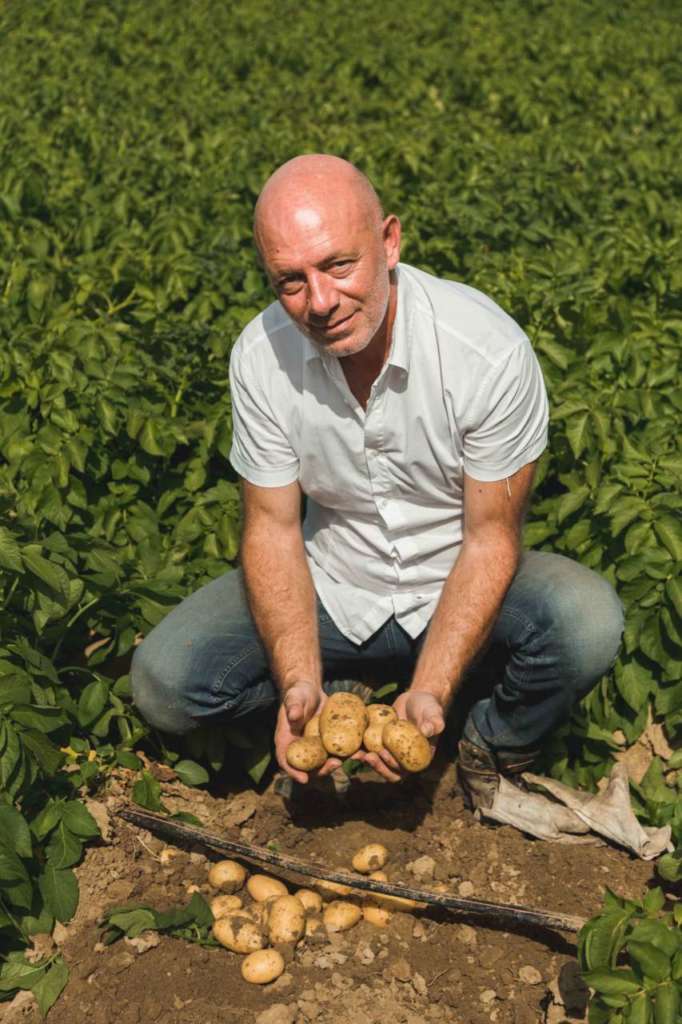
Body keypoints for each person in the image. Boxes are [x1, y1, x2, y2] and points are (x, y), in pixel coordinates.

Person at [131, 154, 624, 810]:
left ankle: (488, 745)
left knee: (586, 621)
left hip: (458, 579)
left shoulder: (484, 353)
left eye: (338, 265)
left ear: (389, 241)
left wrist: (429, 693)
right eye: (291, 281)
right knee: (166, 683)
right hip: (335, 582)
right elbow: (273, 529)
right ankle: (338, 697)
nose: (321, 302)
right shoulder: (261, 356)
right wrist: (300, 683)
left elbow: (489, 541)